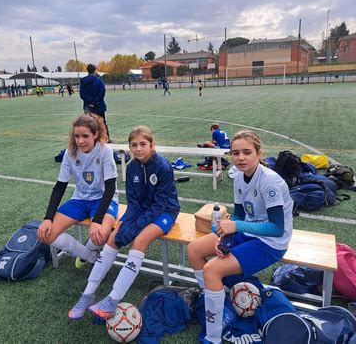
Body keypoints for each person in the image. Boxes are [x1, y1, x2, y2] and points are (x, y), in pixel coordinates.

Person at [187, 130, 293, 344]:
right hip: (247, 231)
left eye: (247, 152)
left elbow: (276, 229)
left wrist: (235, 226)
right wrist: (224, 239)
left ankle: (214, 336)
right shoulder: (237, 175)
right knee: (194, 249)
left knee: (212, 269)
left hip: (270, 243)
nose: (241, 158)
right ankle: (216, 301)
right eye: (236, 153)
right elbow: (238, 214)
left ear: (259, 152)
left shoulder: (269, 181)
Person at [68, 125, 181, 320]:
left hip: (165, 212)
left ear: (152, 145)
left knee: (139, 241)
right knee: (114, 237)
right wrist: (126, 224)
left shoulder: (162, 166)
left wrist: (135, 228)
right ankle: (87, 294)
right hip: (142, 210)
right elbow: (134, 203)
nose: (138, 149)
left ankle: (113, 300)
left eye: (143, 144)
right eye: (134, 145)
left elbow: (159, 206)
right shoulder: (131, 168)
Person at [37, 114, 120, 272]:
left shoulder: (105, 151)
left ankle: (87, 252)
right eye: (76, 136)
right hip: (80, 199)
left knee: (101, 234)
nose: (80, 141)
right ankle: (89, 255)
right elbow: (60, 186)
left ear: (95, 134)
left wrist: (97, 220)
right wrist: (48, 218)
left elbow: (110, 188)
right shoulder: (70, 153)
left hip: (103, 199)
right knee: (46, 235)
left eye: (85, 136)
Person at [80, 64, 111, 142]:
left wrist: (90, 101)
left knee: (89, 125)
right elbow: (102, 92)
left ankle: (91, 139)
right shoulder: (99, 81)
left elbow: (82, 94)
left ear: (87, 70)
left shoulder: (83, 82)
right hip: (99, 106)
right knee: (102, 123)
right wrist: (95, 101)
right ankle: (106, 139)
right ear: (95, 70)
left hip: (88, 107)